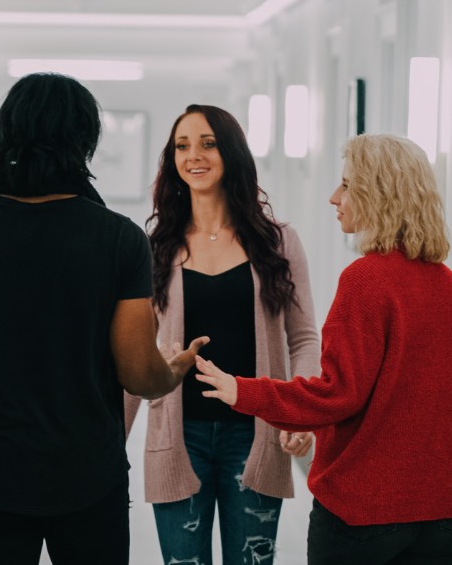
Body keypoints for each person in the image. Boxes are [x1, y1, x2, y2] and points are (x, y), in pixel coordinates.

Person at [0, 72, 205, 563]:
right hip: (87, 474)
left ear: (7, 133)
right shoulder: (118, 238)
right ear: (84, 140)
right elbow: (139, 373)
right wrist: (172, 370)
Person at [195, 133, 452, 565]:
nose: (334, 196)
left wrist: (244, 391)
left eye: (347, 185)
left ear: (379, 195)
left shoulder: (365, 279)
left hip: (362, 520)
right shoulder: (449, 286)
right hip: (440, 522)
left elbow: (337, 394)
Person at [124, 104, 321, 564]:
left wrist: (301, 413)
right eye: (182, 145)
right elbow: (133, 352)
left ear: (231, 152)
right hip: (178, 435)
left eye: (208, 143)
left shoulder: (278, 241)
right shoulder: (155, 247)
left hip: (255, 433)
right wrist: (110, 439)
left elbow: (304, 338)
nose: (194, 155)